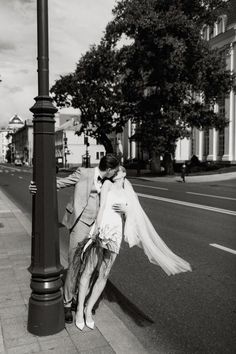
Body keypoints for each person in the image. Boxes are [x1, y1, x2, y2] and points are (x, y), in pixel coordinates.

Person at [72, 166, 192, 331]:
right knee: (89, 270)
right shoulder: (107, 184)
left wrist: (127, 209)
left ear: (124, 173)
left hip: (115, 234)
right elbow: (101, 208)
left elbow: (134, 214)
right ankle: (79, 311)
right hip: (102, 230)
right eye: (114, 170)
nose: (115, 173)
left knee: (104, 274)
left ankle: (88, 311)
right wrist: (97, 230)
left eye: (119, 171)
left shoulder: (127, 190)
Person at [29, 153, 120, 323]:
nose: (115, 173)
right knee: (75, 263)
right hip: (81, 223)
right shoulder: (83, 173)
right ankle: (67, 303)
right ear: (108, 169)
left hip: (99, 227)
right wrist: (36, 187)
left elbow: (120, 195)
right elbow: (58, 183)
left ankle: (80, 298)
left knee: (91, 266)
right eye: (114, 170)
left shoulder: (112, 181)